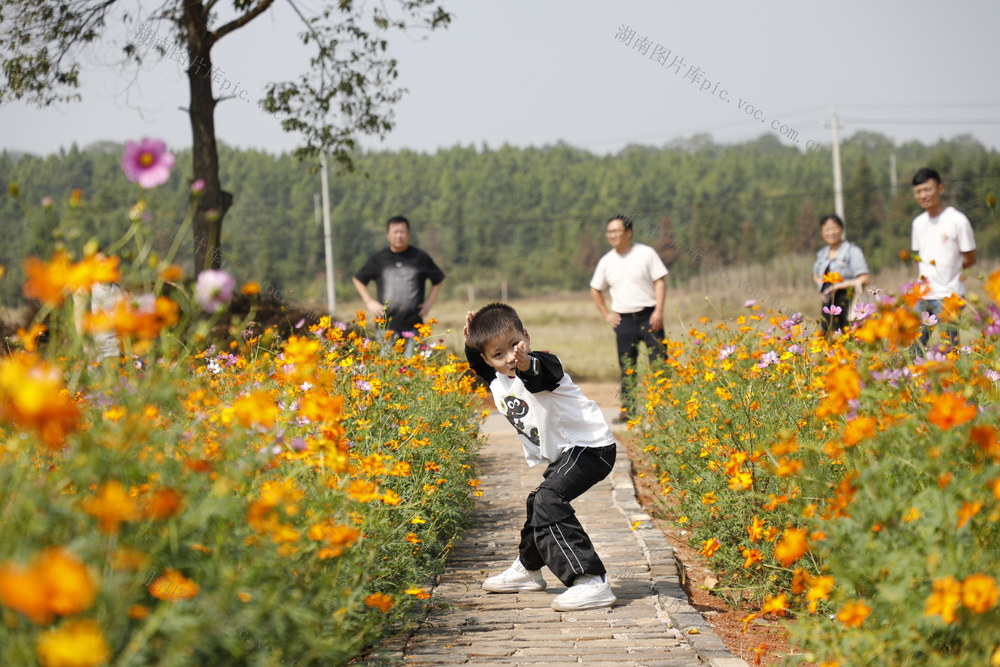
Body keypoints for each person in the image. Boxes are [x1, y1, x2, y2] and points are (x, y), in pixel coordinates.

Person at [464, 303, 617, 611]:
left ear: (527, 337)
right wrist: (469, 344)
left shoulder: (545, 364)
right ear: (487, 359)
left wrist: (526, 362)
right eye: (498, 354)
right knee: (539, 502)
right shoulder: (497, 378)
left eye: (515, 346)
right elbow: (479, 363)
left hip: (591, 447)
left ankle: (590, 580)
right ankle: (528, 568)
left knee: (549, 501)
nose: (510, 358)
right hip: (568, 452)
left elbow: (536, 375)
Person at [589, 215, 667, 421]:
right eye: (609, 232)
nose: (613, 235)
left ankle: (664, 407)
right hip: (624, 320)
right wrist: (607, 314)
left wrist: (659, 311)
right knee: (627, 365)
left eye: (617, 231)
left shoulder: (646, 253)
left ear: (629, 233)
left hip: (649, 315)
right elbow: (595, 289)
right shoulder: (606, 261)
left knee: (659, 362)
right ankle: (628, 409)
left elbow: (660, 281)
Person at [352, 215, 445, 347]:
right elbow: (358, 279)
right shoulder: (379, 259)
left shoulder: (420, 257)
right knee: (386, 366)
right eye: (395, 232)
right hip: (385, 327)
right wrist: (369, 301)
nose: (399, 236)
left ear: (408, 234)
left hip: (414, 325)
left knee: (413, 366)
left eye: (402, 232)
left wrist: (429, 303)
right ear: (388, 235)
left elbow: (438, 280)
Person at [910, 167, 977, 348]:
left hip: (949, 296)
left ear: (940, 189)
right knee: (914, 347)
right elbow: (922, 258)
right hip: (923, 296)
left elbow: (970, 258)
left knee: (949, 347)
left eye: (927, 189)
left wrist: (954, 272)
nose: (923, 195)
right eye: (918, 191)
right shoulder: (918, 223)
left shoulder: (957, 220)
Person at [811, 214, 869, 335]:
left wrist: (838, 286)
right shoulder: (822, 254)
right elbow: (816, 275)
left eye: (834, 228)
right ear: (822, 232)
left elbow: (864, 278)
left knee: (849, 335)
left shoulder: (852, 251)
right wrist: (822, 289)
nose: (831, 232)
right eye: (827, 229)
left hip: (847, 299)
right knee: (829, 337)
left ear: (841, 229)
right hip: (828, 303)